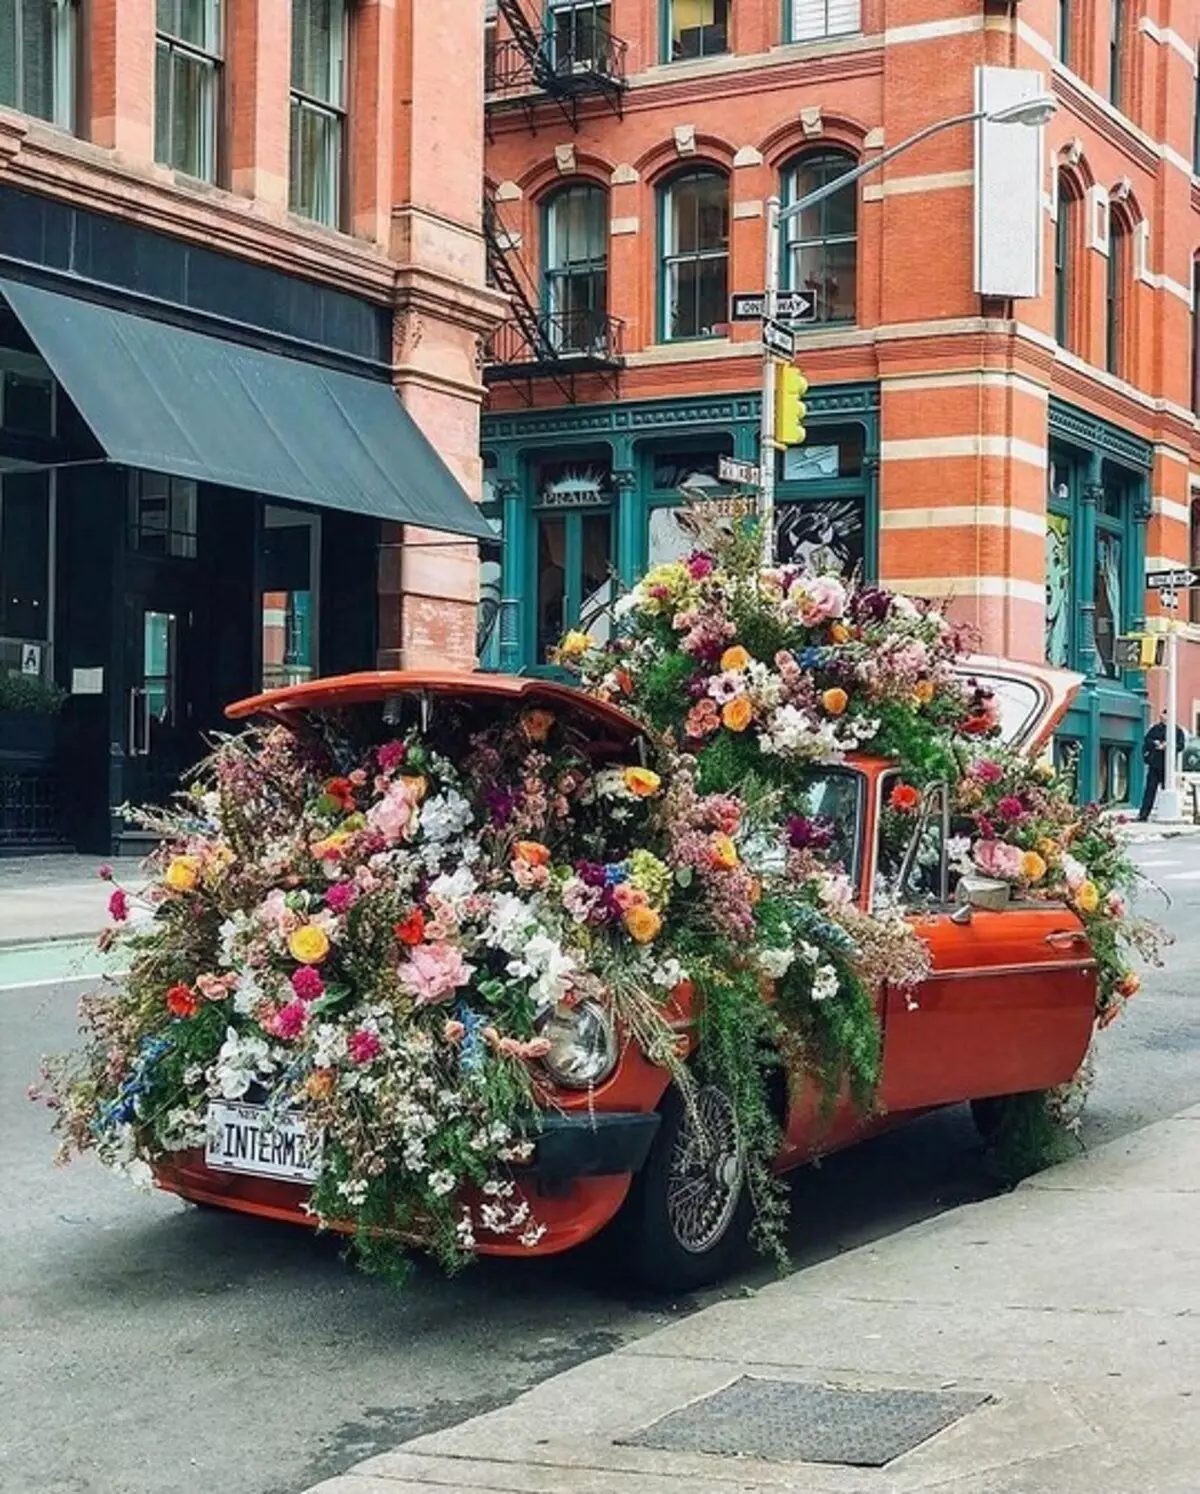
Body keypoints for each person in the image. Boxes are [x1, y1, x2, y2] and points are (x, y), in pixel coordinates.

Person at [1139, 708, 1187, 821]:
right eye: (1162, 715)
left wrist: (1168, 746)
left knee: (1168, 789)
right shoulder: (1155, 729)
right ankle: (1144, 814)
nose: (1162, 717)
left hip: (1168, 766)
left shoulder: (1177, 730)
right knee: (1150, 790)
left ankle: (1167, 812)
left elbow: (1181, 746)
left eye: (1165, 715)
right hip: (1155, 764)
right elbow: (1146, 741)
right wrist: (1155, 744)